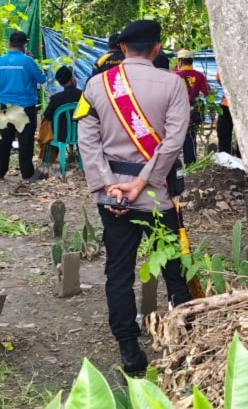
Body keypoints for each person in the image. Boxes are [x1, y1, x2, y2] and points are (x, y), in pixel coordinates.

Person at [76, 19, 192, 378]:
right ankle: (184, 341)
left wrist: (108, 186)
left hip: (113, 198)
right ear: (157, 48)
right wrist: (144, 182)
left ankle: (129, 349)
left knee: (118, 273)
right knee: (174, 268)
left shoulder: (96, 85)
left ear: (122, 48)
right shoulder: (173, 84)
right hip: (157, 194)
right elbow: (174, 142)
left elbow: (87, 142)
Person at [0, 31, 47, 181]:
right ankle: (27, 174)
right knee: (26, 142)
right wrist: (32, 61)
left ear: (9, 44)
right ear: (24, 45)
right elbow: (42, 79)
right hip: (26, 108)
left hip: (6, 106)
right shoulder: (28, 61)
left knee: (3, 141)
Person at [174, 49, 210, 164]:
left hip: (176, 113)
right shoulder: (199, 76)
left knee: (174, 139)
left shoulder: (174, 76)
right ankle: (190, 164)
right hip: (192, 114)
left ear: (180, 61)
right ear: (192, 61)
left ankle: (174, 166)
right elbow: (208, 93)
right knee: (190, 138)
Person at [43, 66, 83, 140]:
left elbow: (47, 115)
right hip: (81, 134)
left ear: (61, 84)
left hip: (61, 136)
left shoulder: (55, 98)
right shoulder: (83, 95)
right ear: (73, 79)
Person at [216, 70, 234, 154]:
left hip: (227, 104)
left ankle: (225, 158)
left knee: (224, 133)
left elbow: (219, 78)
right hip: (245, 105)